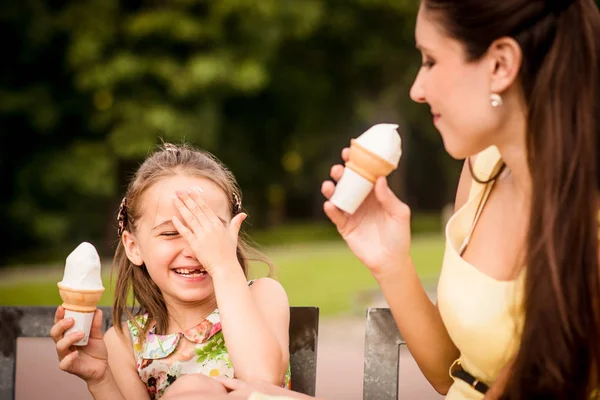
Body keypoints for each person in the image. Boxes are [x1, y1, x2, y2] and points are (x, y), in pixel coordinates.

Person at [221, 0, 600, 399]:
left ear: (501, 64)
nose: (417, 91)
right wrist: (391, 263)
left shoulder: (586, 227)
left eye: (431, 61)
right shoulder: (484, 168)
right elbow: (456, 376)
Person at [49, 142, 291, 399]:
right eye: (170, 233)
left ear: (233, 233)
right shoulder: (124, 344)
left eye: (207, 230)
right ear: (134, 247)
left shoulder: (262, 296)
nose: (194, 249)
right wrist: (100, 380)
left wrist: (223, 265)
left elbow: (262, 381)